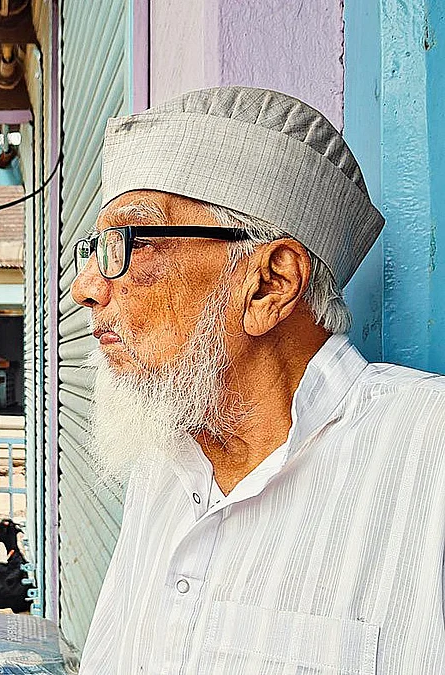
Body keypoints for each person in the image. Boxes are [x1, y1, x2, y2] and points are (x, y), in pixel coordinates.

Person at [72, 87, 444, 671]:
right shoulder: (163, 466)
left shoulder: (430, 450)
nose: (87, 287)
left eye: (131, 244)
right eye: (93, 250)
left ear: (269, 284)